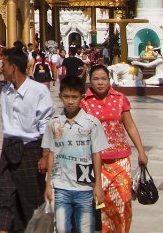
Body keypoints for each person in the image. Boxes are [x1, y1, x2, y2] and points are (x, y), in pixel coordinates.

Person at [0, 46, 53, 233]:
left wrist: (44, 155)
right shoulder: (6, 91)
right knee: (4, 194)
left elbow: (46, 124)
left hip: (31, 149)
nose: (1, 68)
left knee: (31, 199)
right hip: (9, 147)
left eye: (4, 64)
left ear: (14, 67)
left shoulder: (38, 91)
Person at [82, 64, 149, 233]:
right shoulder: (84, 103)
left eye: (103, 79)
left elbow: (130, 126)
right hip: (96, 162)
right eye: (96, 79)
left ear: (109, 79)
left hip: (121, 160)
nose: (100, 83)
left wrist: (141, 151)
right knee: (102, 204)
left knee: (123, 201)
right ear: (90, 81)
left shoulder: (120, 99)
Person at [43, 76, 106, 233]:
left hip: (84, 188)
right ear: (60, 97)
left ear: (82, 98)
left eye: (74, 97)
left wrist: (98, 185)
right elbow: (51, 154)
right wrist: (48, 185)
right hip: (60, 186)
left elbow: (96, 155)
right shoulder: (54, 123)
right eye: (66, 97)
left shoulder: (92, 123)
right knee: (62, 228)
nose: (70, 101)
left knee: (85, 228)